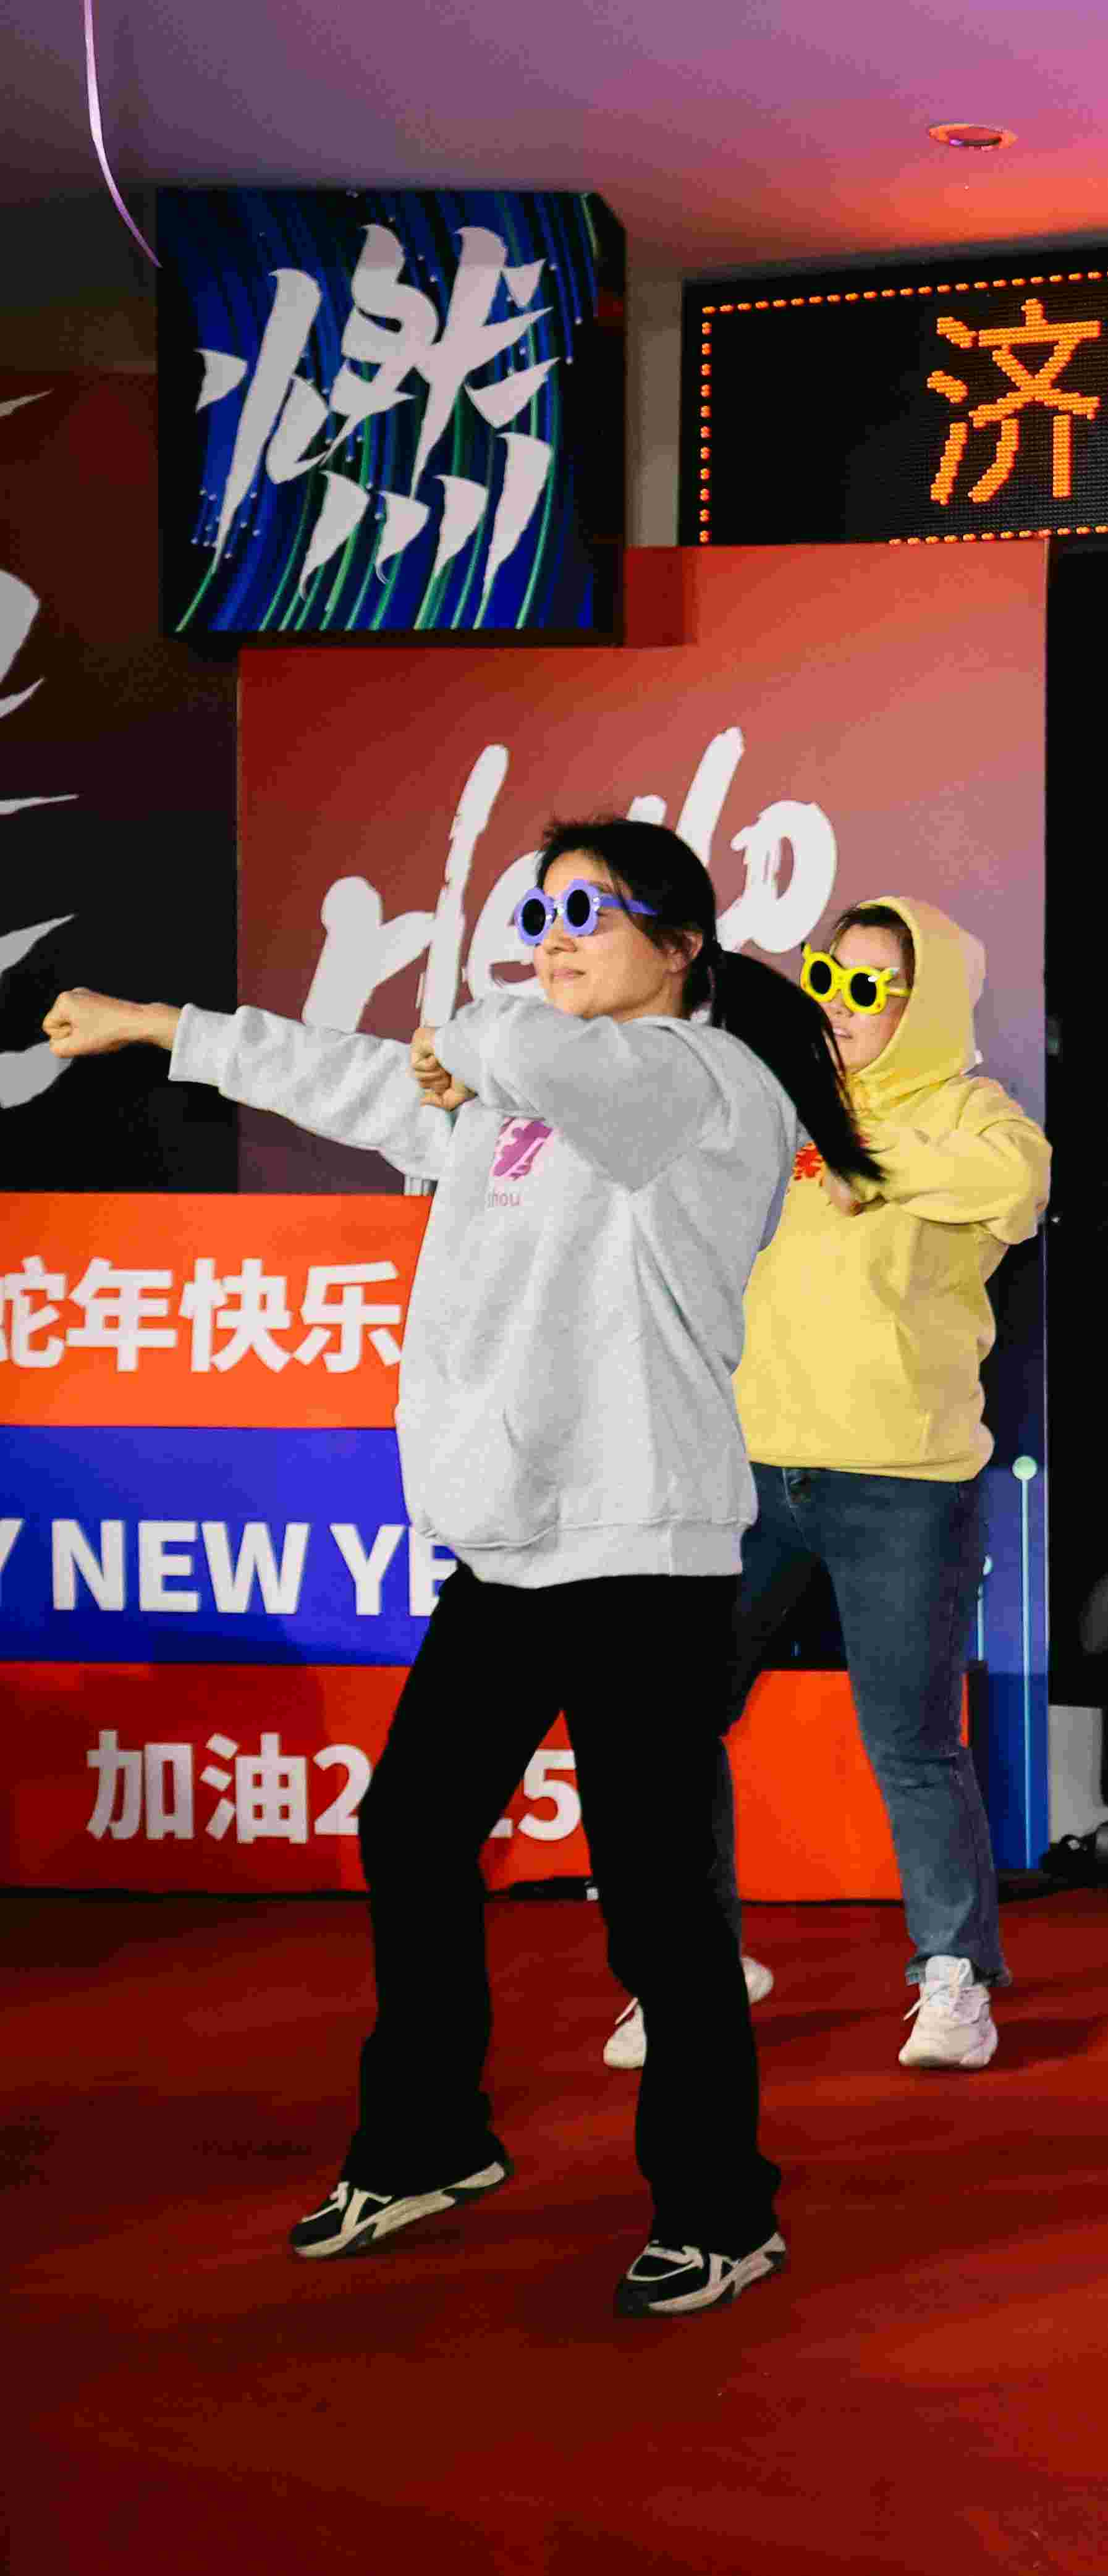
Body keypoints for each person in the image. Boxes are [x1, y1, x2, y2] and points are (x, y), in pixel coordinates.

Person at [42, 819, 873, 2320]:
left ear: (682, 944)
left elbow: (521, 1052)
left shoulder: (702, 1086)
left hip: (642, 1548)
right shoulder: (523, 1090)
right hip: (514, 1552)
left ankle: (721, 2209)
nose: (552, 939)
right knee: (414, 1831)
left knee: (659, 1907)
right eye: (537, 914)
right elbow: (357, 1078)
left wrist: (468, 1045)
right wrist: (162, 1026)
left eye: (586, 912)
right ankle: (430, 2140)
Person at [606, 897, 1044, 2079]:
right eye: (826, 980)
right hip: (745, 1473)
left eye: (870, 987)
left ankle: (954, 1977)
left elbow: (1017, 1191)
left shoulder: (975, 1115)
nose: (840, 1008)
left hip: (902, 1483)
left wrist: (866, 1158)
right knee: (675, 1720)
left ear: (926, 1002)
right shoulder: (767, 1095)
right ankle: (693, 1964)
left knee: (912, 1743)